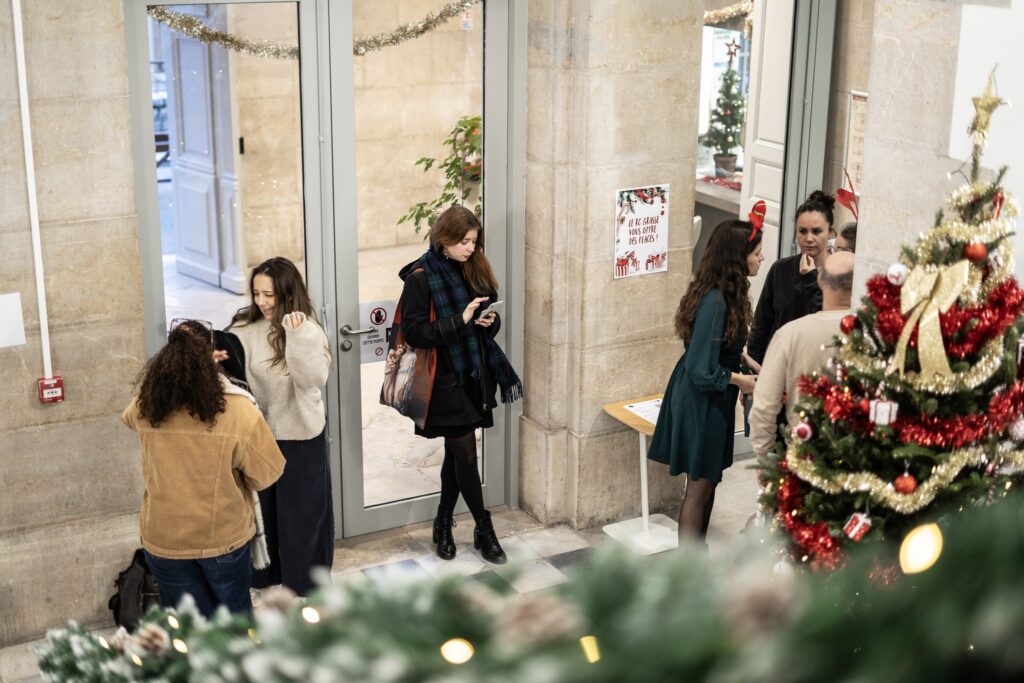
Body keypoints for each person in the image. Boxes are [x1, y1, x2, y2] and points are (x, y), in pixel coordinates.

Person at [122, 319, 285, 617]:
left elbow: (129, 418)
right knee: (234, 623)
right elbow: (267, 473)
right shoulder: (239, 410)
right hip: (222, 537)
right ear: (213, 357)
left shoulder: (146, 406)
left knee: (188, 625)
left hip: (165, 538)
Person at [398, 205, 523, 564]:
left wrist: (488, 322)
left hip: (473, 374)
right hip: (444, 383)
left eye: (473, 241)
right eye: (463, 241)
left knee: (457, 453)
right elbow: (416, 333)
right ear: (443, 239)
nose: (470, 248)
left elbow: (486, 320)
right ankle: (485, 529)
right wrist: (461, 319)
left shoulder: (472, 268)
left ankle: (442, 523)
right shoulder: (420, 277)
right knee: (466, 455)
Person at [648, 216, 764, 541]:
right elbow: (701, 369)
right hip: (700, 402)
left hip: (712, 399)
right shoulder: (715, 302)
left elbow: (720, 345)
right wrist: (742, 381)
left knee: (708, 482)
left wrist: (743, 359)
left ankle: (697, 555)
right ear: (738, 257)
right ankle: (689, 566)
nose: (761, 258)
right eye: (757, 253)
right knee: (698, 487)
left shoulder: (726, 295)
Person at [226, 257, 333, 596]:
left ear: (287, 292)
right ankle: (265, 579)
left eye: (269, 294)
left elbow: (312, 379)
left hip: (301, 436)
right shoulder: (242, 330)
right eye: (256, 293)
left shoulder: (308, 330)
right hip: (259, 438)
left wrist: (297, 336)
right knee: (264, 515)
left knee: (303, 517)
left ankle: (306, 585)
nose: (261, 301)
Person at [748, 251, 854, 458]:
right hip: (859, 454)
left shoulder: (790, 334)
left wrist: (763, 454)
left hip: (804, 450)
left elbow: (765, 405)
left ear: (820, 280)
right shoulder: (874, 332)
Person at [746, 190, 837, 366]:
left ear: (830, 232)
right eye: (802, 231)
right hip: (777, 364)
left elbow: (829, 322)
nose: (809, 238)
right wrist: (755, 368)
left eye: (817, 231)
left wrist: (811, 278)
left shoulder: (839, 274)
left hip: (816, 369)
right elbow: (761, 325)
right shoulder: (780, 269)